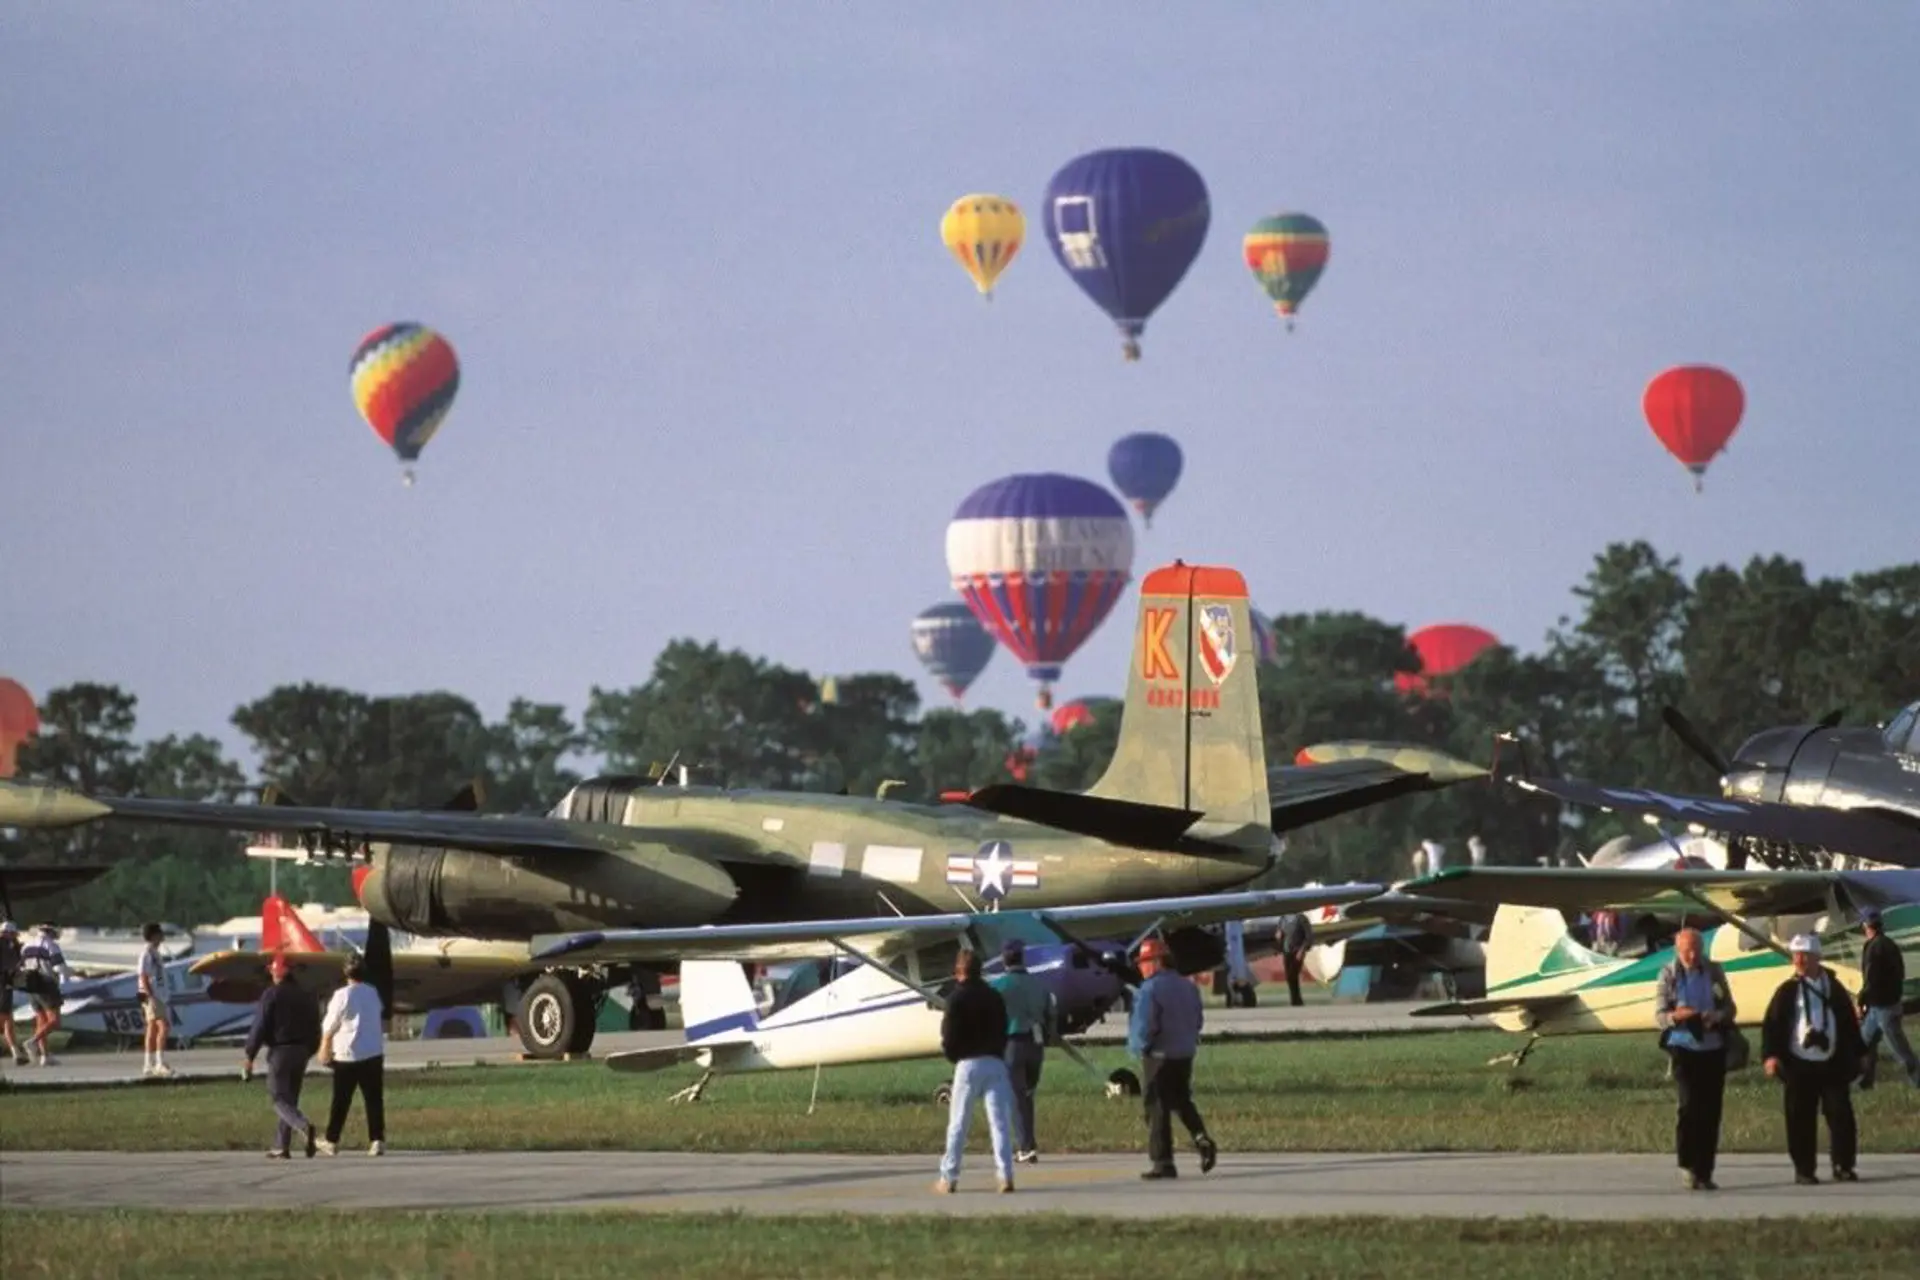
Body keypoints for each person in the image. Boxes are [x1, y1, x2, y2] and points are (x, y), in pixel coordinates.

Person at [1761, 934, 1864, 1185]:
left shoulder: (1834, 988)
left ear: (1817, 957)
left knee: (1840, 1114)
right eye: (1796, 955)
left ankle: (1843, 1165)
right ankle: (1804, 1169)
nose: (1799, 960)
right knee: (1800, 1118)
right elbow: (1772, 1024)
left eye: (1804, 955)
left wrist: (1860, 1055)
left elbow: (1849, 1024)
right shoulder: (1787, 991)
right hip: (1798, 1063)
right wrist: (1771, 1055)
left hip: (1832, 1063)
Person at [1127, 936, 1218, 1180]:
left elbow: (1145, 1026)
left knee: (1157, 1106)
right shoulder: (1188, 986)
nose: (1141, 967)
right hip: (1184, 1054)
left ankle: (1163, 1161)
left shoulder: (1149, 989)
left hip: (1158, 1056)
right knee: (1182, 1100)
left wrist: (1139, 1048)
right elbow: (1198, 1021)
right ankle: (1201, 1138)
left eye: (1144, 961)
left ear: (1157, 962)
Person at [1653, 926, 1736, 1190]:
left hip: (1712, 1047)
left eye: (1696, 950)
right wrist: (1677, 1016)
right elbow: (1659, 1016)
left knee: (1711, 1110)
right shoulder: (1668, 974)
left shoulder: (1713, 971)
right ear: (1678, 950)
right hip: (1683, 1046)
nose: (1691, 955)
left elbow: (1729, 1006)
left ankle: (1706, 1170)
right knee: (1689, 1107)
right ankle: (1687, 1164)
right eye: (1686, 950)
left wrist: (1718, 1016)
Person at [934, 948, 1015, 1194]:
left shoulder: (955, 999)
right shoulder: (994, 996)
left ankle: (949, 1177)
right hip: (995, 1062)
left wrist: (953, 1056)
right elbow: (1004, 1028)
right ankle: (1005, 1175)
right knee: (999, 1123)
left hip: (967, 1064)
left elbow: (948, 1035)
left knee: (958, 1123)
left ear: (960, 971)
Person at [241, 952, 322, 1159]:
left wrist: (250, 1055)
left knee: (278, 1097)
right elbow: (316, 1027)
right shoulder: (307, 994)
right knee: (290, 1100)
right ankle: (281, 1146)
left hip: (280, 1052)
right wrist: (309, 1050)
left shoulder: (272, 994)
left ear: (276, 972)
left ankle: (303, 1126)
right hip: (302, 1051)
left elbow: (260, 1026)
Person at [989, 939, 1053, 1166]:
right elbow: (1050, 1015)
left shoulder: (999, 986)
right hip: (1036, 1046)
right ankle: (1028, 1143)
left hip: (1012, 1045)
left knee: (1016, 1099)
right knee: (1027, 1096)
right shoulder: (1039, 985)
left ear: (1004, 959)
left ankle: (1026, 1147)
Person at [317, 954, 388, 1156]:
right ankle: (377, 1139)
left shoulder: (342, 995)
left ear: (345, 972)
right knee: (374, 1099)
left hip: (348, 1054)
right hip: (373, 1052)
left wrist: (324, 1046)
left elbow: (330, 1024)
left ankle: (331, 1140)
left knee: (341, 1100)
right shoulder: (372, 992)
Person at [1855, 907, 1919, 1089]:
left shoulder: (1873, 948)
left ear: (1866, 925)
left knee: (1900, 1051)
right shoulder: (1890, 944)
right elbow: (1900, 973)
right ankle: (1864, 1082)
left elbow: (1871, 979)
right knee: (1863, 1044)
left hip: (1882, 1008)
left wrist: (1860, 1001)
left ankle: (1918, 1079)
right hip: (1886, 1005)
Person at [19, 924, 71, 1065]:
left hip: (31, 986)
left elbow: (21, 966)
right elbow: (59, 967)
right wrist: (68, 976)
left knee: (41, 1020)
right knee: (54, 1021)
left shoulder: (27, 945)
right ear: (49, 932)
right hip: (47, 985)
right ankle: (32, 1042)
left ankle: (45, 1056)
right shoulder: (51, 945)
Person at [136, 922, 175, 1078]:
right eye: (159, 933)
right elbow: (143, 976)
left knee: (152, 1028)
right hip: (152, 995)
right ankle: (159, 1063)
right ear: (153, 935)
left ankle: (148, 1063)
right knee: (163, 1026)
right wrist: (151, 996)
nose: (162, 936)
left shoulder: (155, 953)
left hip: (158, 994)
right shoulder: (147, 953)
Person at [0, 921, 26, 1066]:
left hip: (6, 984)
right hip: (3, 985)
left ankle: (15, 1051)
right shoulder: (7, 946)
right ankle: (15, 1051)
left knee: (8, 1019)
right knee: (5, 1018)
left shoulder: (11, 946)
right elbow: (13, 966)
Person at [1276, 913, 1313, 1008]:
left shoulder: (1301, 919)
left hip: (1297, 951)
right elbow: (1280, 932)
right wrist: (1278, 936)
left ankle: (1296, 1000)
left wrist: (1302, 950)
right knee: (1289, 976)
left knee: (1293, 974)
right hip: (1286, 951)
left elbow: (1308, 936)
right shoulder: (1283, 919)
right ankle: (1295, 1000)